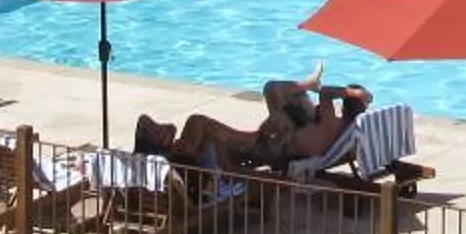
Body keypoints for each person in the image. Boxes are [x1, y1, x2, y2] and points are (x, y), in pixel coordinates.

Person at [135, 67, 370, 172]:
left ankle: (172, 150)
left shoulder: (332, 122)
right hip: (275, 143)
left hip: (271, 147)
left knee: (199, 122)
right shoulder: (341, 130)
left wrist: (353, 93)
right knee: (203, 130)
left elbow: (327, 92)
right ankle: (171, 147)